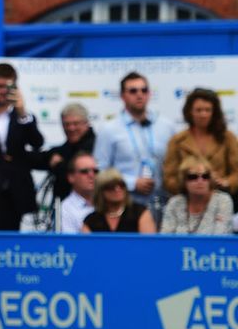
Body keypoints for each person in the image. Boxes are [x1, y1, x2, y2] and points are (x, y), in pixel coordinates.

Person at [93, 71, 176, 227]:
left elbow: (176, 163)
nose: (139, 95)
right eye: (133, 91)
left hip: (165, 203)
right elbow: (100, 170)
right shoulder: (109, 129)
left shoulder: (166, 126)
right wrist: (131, 182)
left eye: (144, 90)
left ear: (150, 94)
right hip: (126, 203)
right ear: (122, 96)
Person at [0, 62, 44, 230]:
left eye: (9, 86)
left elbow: (37, 143)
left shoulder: (23, 116)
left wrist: (22, 112)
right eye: (0, 86)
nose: (4, 91)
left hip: (16, 192)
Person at [163, 87, 238, 197]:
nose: (203, 114)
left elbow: (236, 173)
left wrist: (226, 182)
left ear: (214, 112)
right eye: (198, 110)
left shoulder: (227, 137)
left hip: (221, 198)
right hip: (187, 203)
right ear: (190, 112)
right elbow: (169, 179)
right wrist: (189, 183)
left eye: (208, 110)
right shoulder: (177, 141)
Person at [32, 102, 96, 201]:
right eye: (66, 124)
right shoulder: (68, 146)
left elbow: (74, 172)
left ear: (86, 123)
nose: (71, 128)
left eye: (76, 123)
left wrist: (59, 165)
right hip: (66, 207)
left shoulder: (96, 146)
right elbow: (46, 157)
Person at [159, 156, 233, 234]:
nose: (200, 181)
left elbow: (219, 238)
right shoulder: (175, 203)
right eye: (193, 177)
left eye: (205, 176)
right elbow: (165, 238)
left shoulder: (222, 201)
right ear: (184, 181)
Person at [82, 168, 156, 233]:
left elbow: (149, 245)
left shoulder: (140, 212)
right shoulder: (91, 220)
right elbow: (85, 247)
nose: (117, 189)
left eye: (121, 184)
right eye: (111, 186)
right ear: (100, 191)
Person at [59, 152, 97, 234]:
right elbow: (69, 244)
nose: (91, 175)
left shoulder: (107, 202)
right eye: (84, 171)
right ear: (71, 177)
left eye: (95, 171)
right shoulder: (65, 209)